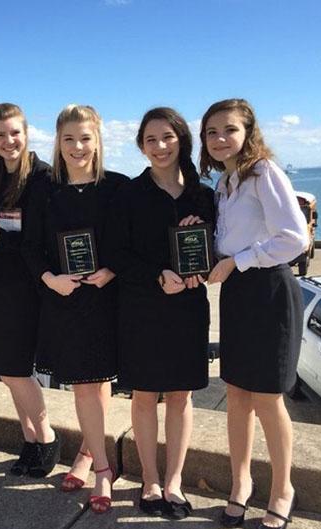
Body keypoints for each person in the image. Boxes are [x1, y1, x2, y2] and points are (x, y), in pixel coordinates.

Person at [202, 98, 308, 529]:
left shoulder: (264, 172)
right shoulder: (224, 184)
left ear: (248, 132)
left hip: (269, 292)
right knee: (237, 396)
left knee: (267, 398)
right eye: (211, 132)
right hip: (237, 293)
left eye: (229, 129)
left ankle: (283, 488)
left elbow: (294, 238)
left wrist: (238, 261)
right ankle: (240, 483)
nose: (220, 138)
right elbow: (226, 241)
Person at [22, 104, 128, 513]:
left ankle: (92, 459)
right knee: (85, 382)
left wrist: (111, 270)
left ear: (98, 140)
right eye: (69, 139)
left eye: (85, 138)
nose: (78, 147)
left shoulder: (117, 188)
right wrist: (51, 279)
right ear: (57, 142)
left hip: (106, 297)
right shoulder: (44, 189)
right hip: (65, 297)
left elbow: (131, 241)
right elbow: (30, 246)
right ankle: (102, 465)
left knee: (98, 380)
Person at [110, 107, 215, 519]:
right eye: (151, 140)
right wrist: (157, 275)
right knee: (144, 394)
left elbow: (216, 250)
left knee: (180, 395)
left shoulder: (204, 195)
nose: (160, 147)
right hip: (141, 307)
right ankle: (149, 480)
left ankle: (174, 481)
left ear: (182, 140)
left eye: (167, 137)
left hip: (188, 308)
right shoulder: (130, 194)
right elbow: (117, 253)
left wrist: (200, 262)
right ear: (141, 145)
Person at [0, 103, 60, 477]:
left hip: (27, 288)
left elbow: (39, 242)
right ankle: (29, 438)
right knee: (5, 368)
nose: (8, 140)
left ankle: (46, 438)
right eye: (0, 134)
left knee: (16, 370)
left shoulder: (43, 178)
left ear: (26, 133)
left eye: (14, 132)